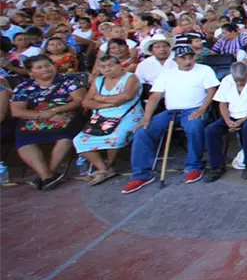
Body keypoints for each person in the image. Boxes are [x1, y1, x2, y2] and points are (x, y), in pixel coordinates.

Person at [121, 45, 220, 193]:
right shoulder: (167, 74)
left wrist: (202, 109)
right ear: (176, 60)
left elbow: (212, 91)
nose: (188, 61)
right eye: (183, 58)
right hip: (170, 112)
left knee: (194, 127)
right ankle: (141, 174)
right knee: (142, 131)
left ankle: (194, 166)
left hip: (194, 109)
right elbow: (155, 97)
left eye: (190, 57)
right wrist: (146, 118)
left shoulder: (204, 70)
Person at [9, 55, 86, 190]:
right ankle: (47, 176)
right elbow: (16, 111)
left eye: (48, 65)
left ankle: (47, 175)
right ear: (30, 72)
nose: (45, 69)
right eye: (39, 67)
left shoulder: (68, 81)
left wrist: (54, 111)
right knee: (24, 139)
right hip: (36, 116)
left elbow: (79, 101)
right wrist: (43, 116)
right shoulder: (24, 87)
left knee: (66, 135)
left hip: (65, 113)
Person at [75, 54, 143, 186]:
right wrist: (109, 104)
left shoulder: (130, 77)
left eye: (110, 65)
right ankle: (103, 169)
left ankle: (109, 165)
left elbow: (127, 96)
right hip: (102, 116)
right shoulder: (98, 81)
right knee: (79, 140)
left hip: (128, 114)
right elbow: (87, 102)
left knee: (116, 137)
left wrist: (99, 98)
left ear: (119, 65)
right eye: (103, 67)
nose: (107, 69)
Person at [204, 61, 247, 181]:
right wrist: (227, 121)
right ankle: (217, 166)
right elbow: (222, 103)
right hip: (233, 114)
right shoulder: (227, 80)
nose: (239, 83)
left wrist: (245, 118)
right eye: (236, 80)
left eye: (243, 80)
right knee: (211, 130)